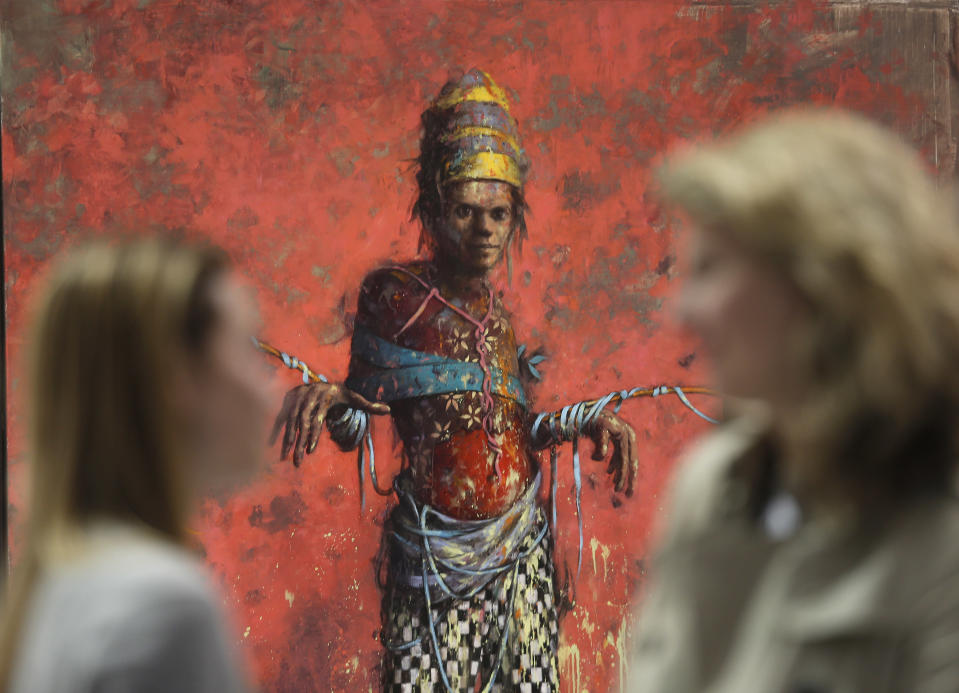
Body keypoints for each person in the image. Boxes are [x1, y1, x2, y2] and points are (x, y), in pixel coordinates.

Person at [272, 69, 638, 692]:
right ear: (434, 209)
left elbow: (512, 426)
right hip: (431, 562)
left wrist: (587, 418)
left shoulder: (500, 320)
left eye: (498, 213)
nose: (485, 230)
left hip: (519, 555)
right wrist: (335, 402)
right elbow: (361, 418)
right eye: (466, 211)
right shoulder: (395, 298)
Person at [626, 110, 959, 693]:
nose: (683, 313)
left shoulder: (938, 528)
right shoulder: (710, 487)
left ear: (818, 279)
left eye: (711, 269)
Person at [0, 238, 274, 693]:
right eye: (246, 351)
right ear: (174, 375)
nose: (268, 388)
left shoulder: (60, 585)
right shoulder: (166, 606)